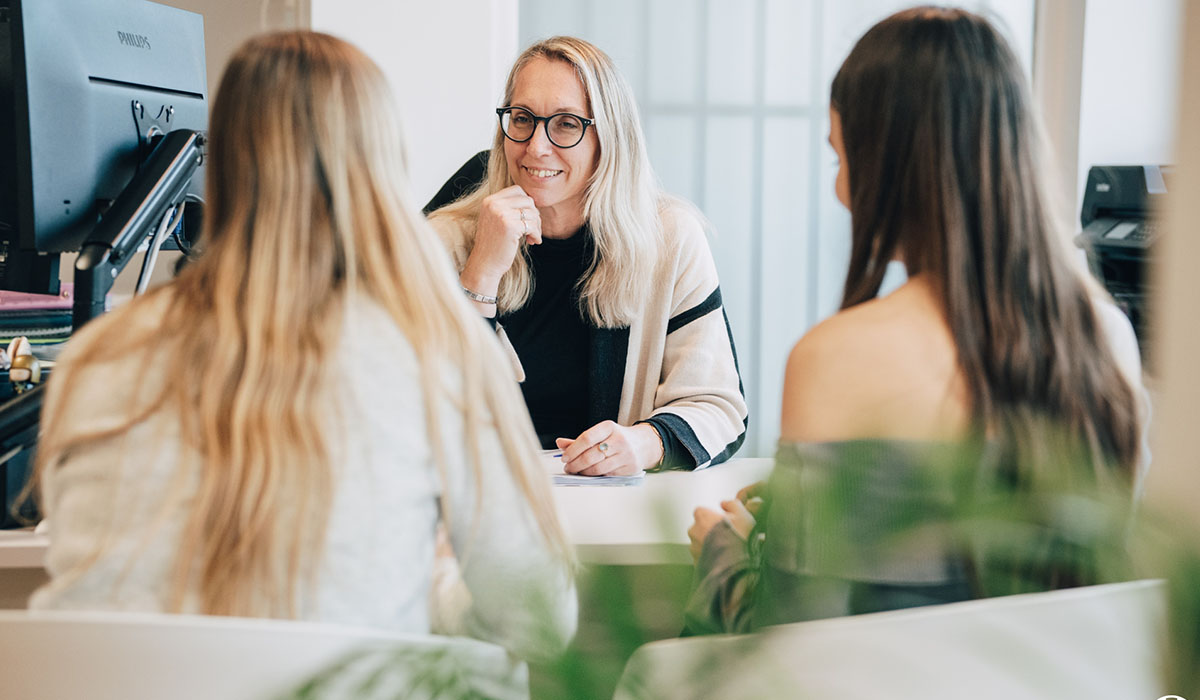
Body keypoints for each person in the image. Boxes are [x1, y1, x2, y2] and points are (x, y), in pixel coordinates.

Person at [29, 31, 576, 660]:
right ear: (380, 168)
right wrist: (432, 595)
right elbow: (541, 619)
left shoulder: (101, 357)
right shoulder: (435, 356)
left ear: (224, 162)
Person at [684, 7, 1149, 633]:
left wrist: (726, 553)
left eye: (840, 159)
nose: (842, 190)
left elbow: (792, 646)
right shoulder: (1105, 335)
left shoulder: (836, 356)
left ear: (890, 167)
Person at [427, 36, 748, 476]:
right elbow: (413, 408)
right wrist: (481, 275)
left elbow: (719, 406)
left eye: (565, 124)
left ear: (608, 137)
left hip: (613, 519)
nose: (536, 146)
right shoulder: (447, 240)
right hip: (479, 505)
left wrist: (646, 441)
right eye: (522, 119)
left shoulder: (669, 240)